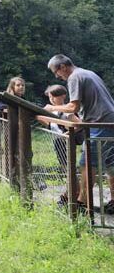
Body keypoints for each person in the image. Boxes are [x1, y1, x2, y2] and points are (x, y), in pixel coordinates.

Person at [46, 54, 114, 213]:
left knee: (87, 164)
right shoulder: (88, 73)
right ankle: (110, 203)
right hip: (109, 121)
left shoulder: (74, 77)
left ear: (63, 67)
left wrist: (52, 108)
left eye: (56, 72)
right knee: (111, 164)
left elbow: (73, 107)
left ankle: (81, 205)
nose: (58, 76)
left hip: (100, 123)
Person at [35, 84, 79, 205]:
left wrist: (67, 134)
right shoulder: (52, 110)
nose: (52, 99)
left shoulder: (66, 111)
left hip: (66, 143)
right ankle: (71, 194)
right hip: (58, 142)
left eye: (55, 96)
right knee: (67, 170)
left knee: (69, 170)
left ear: (63, 96)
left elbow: (79, 124)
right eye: (50, 96)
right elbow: (49, 124)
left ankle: (72, 195)